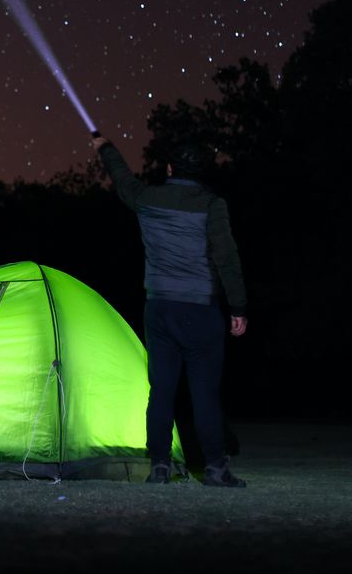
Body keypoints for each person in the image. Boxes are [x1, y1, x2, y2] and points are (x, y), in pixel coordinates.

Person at [92, 135, 248, 488]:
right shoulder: (212, 204)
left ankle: (159, 465)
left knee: (161, 390)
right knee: (204, 392)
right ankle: (215, 468)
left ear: (170, 168)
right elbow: (227, 258)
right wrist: (238, 306)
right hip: (201, 310)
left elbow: (122, 179)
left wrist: (106, 148)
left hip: (160, 308)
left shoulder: (148, 198)